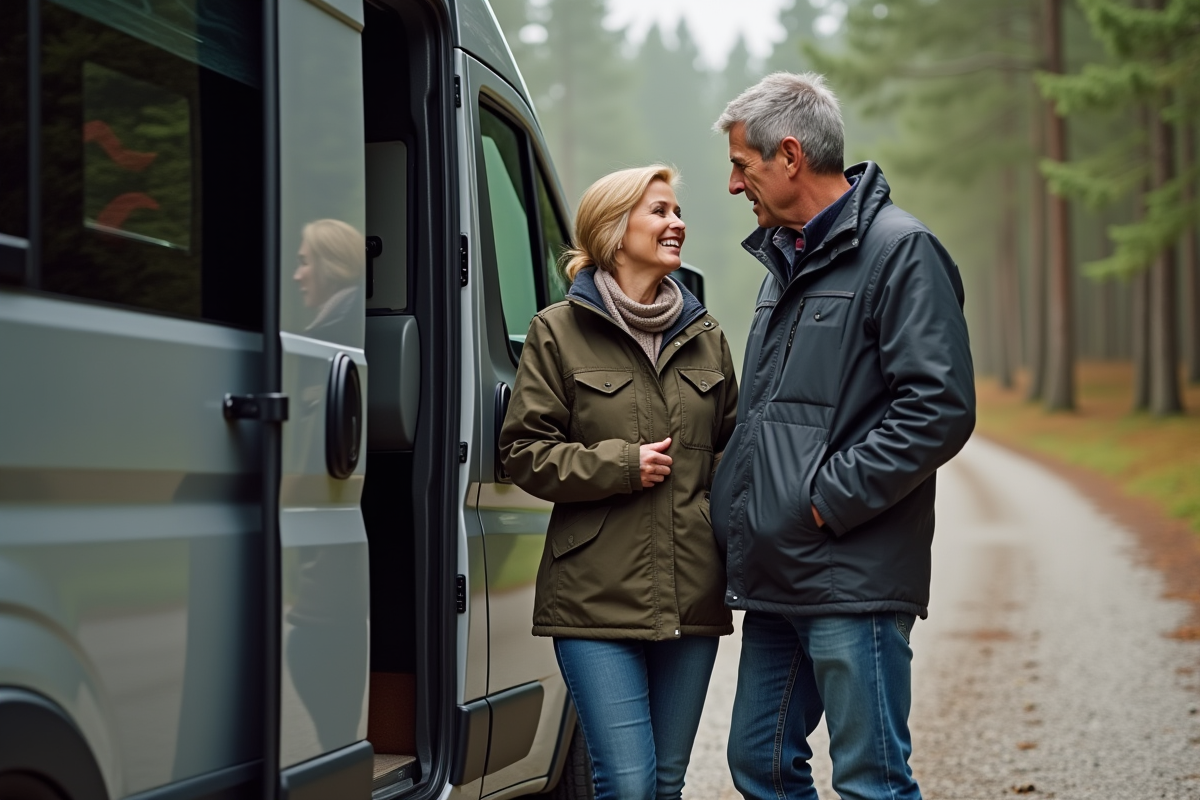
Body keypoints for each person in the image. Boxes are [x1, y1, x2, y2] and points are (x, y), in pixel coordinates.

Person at [709, 72, 976, 800]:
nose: (735, 186)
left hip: (849, 574)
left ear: (789, 155)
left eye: (743, 165)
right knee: (758, 765)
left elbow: (938, 408)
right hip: (776, 577)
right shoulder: (782, 260)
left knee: (871, 780)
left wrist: (823, 501)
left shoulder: (901, 251)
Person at [499, 165, 739, 800]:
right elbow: (523, 451)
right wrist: (617, 466)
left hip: (692, 591)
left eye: (677, 211)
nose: (677, 223)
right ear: (613, 229)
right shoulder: (557, 330)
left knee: (664, 783)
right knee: (627, 785)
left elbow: (732, 455)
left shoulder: (707, 337)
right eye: (659, 211)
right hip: (592, 597)